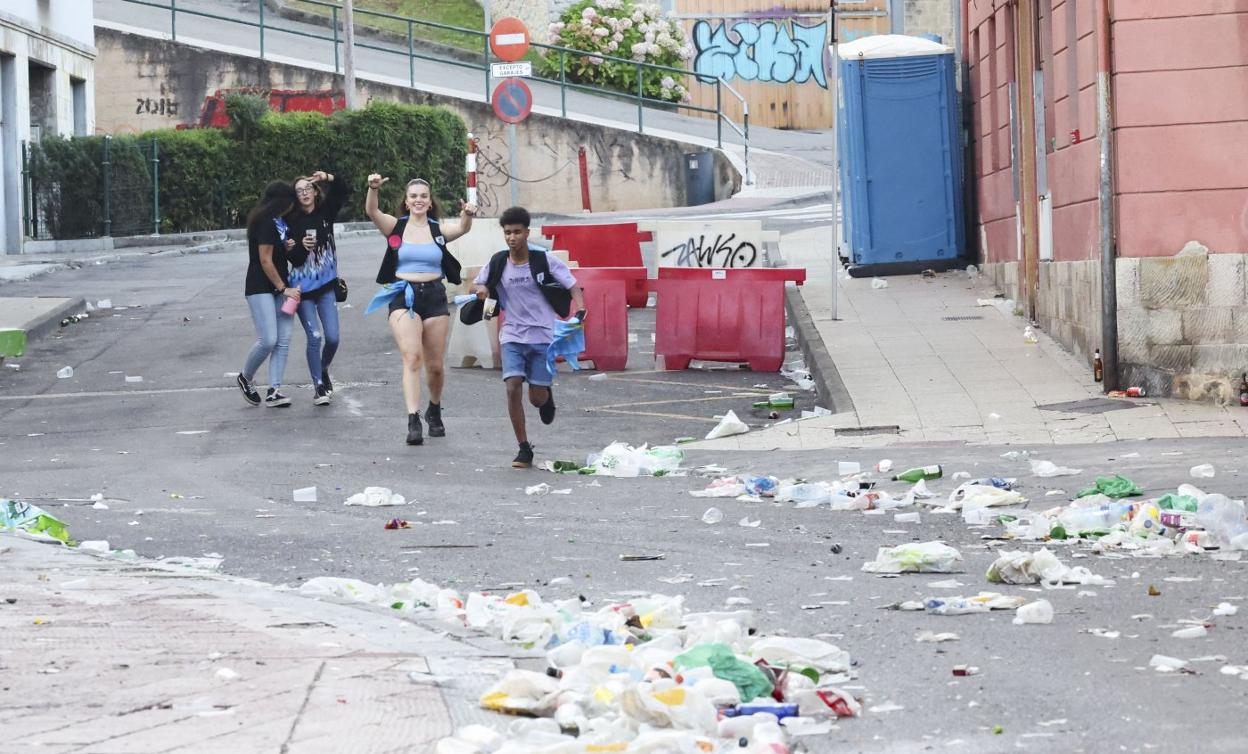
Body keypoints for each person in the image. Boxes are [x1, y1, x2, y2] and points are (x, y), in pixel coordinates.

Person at [364, 174, 478, 445]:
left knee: (435, 366)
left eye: (423, 196)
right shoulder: (396, 226)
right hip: (403, 295)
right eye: (413, 196)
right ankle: (413, 419)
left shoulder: (438, 229)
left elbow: (462, 229)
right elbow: (372, 211)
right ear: (406, 202)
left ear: (429, 202)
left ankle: (434, 409)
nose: (418, 200)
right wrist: (373, 188)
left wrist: (467, 214)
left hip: (435, 296)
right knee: (412, 357)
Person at [471, 206, 585, 468]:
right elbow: (478, 282)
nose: (512, 237)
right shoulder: (498, 261)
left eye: (517, 232)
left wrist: (580, 310)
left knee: (536, 398)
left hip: (543, 336)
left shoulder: (544, 261)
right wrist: (481, 290)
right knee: (512, 387)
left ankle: (545, 394)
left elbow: (572, 286)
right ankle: (524, 448)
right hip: (512, 335)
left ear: (527, 233)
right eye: (507, 232)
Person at [286, 170, 351, 405]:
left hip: (326, 287)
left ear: (315, 191)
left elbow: (343, 189)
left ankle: (323, 369)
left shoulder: (326, 212)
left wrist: (327, 177)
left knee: (333, 338)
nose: (304, 193)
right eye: (299, 191)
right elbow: (293, 259)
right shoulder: (290, 220)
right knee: (314, 337)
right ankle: (319, 387)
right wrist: (301, 247)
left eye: (308, 189)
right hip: (302, 290)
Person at [236, 180, 300, 407]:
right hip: (261, 287)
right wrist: (283, 288)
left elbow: (274, 253)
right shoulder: (265, 222)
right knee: (268, 339)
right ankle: (245, 377)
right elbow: (265, 260)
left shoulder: (278, 222)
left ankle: (274, 390)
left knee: (283, 339)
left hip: (279, 285)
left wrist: (285, 247)